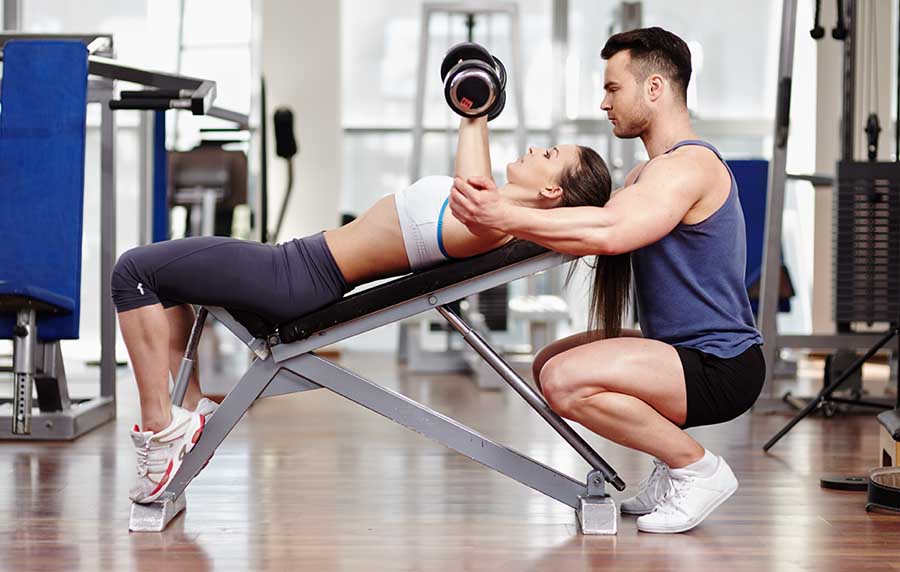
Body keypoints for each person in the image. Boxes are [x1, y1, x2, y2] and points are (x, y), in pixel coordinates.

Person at [112, 113, 631, 504]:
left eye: (549, 154)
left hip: (293, 277)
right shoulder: (498, 215)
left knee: (133, 272)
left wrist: (474, 114)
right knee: (167, 277)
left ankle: (162, 430)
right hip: (299, 268)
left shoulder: (491, 220)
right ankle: (189, 413)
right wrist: (473, 107)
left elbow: (472, 191)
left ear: (550, 189)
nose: (537, 148)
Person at [448, 27, 765, 534]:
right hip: (679, 351)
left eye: (614, 88)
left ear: (655, 88)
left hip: (719, 364)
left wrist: (502, 215)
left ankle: (697, 468)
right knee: (549, 362)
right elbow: (586, 225)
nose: (603, 102)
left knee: (564, 379)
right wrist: (504, 206)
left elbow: (610, 231)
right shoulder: (646, 175)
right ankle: (671, 465)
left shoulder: (690, 167)